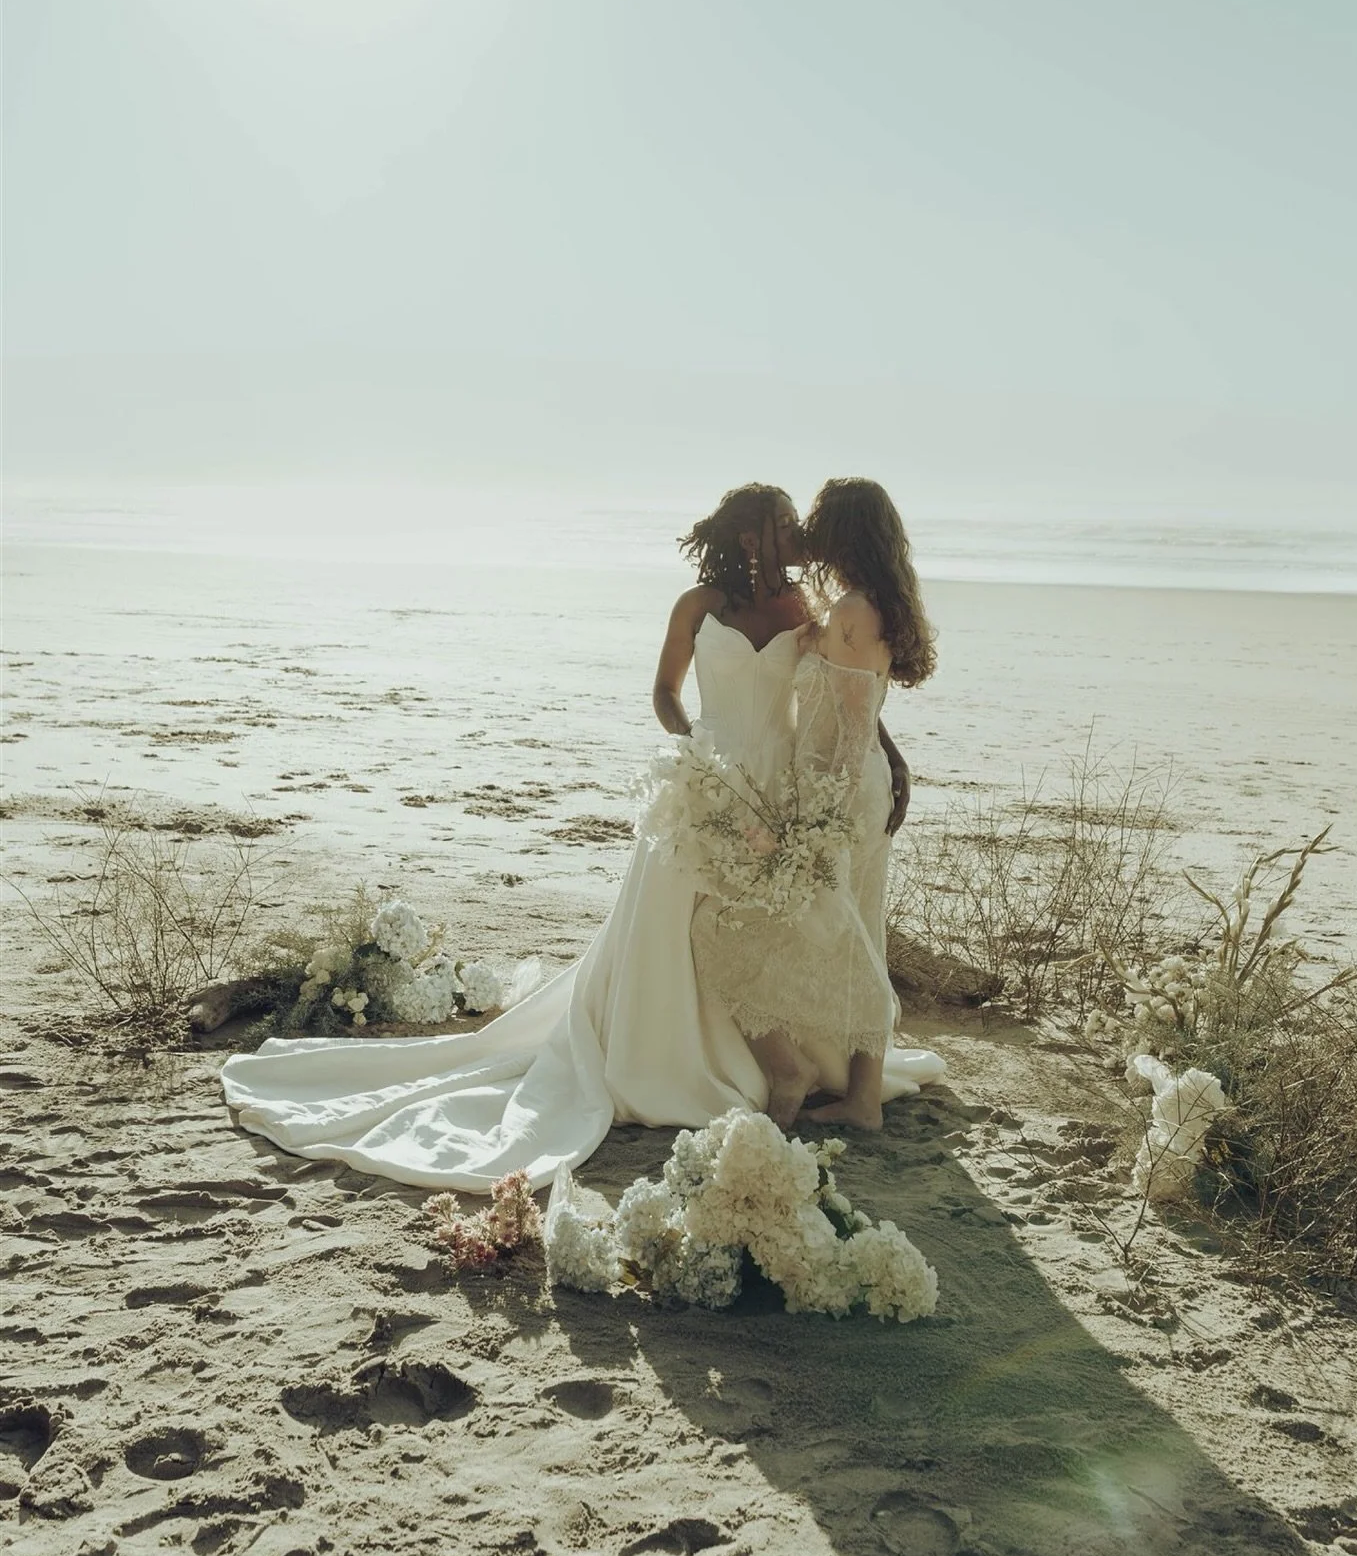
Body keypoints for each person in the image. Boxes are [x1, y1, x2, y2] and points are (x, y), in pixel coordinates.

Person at [221, 483, 942, 1192]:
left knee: (768, 926)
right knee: (678, 920)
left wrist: (888, 753)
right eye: (784, 523)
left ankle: (785, 1063)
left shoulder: (811, 610)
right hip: (707, 779)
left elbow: (846, 693)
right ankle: (668, 1057)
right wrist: (693, 752)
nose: (799, 536)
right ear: (749, 535)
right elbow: (664, 692)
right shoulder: (697, 606)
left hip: (779, 784)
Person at [691, 477, 937, 1129]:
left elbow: (852, 727)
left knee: (749, 929)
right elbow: (863, 705)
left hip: (843, 795)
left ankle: (818, 1078)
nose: (808, 530)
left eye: (820, 520)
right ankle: (860, 1096)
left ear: (845, 532)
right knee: (860, 927)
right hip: (858, 787)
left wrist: (814, 818)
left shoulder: (853, 611)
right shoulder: (858, 605)